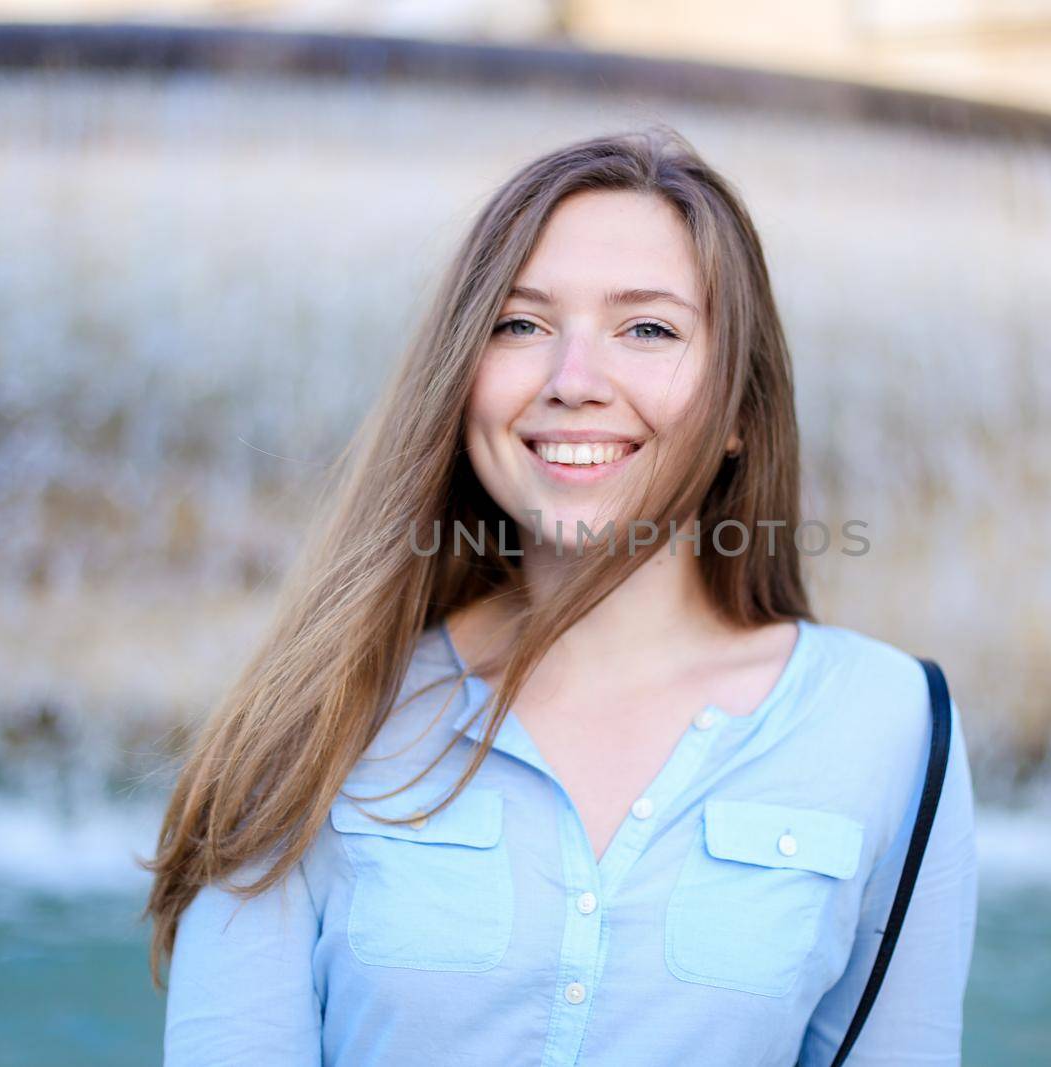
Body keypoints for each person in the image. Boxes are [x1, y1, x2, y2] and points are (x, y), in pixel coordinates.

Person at [146, 125, 978, 1066]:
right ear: (459, 380)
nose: (573, 382)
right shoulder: (317, 712)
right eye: (520, 324)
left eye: (649, 328)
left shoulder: (895, 725)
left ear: (741, 410)